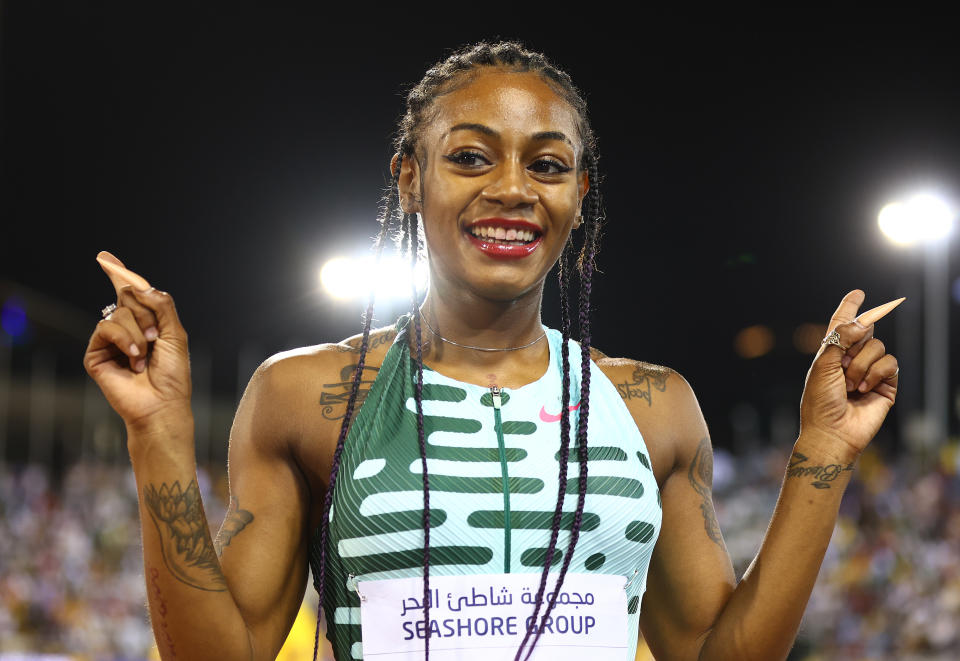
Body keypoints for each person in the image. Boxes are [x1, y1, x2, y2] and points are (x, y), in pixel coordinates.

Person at [84, 42, 900, 661]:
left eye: (546, 164)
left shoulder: (654, 406)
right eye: (470, 155)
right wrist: (156, 435)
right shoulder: (304, 393)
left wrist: (822, 451)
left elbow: (718, 653)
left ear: (579, 197)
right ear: (411, 179)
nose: (511, 187)